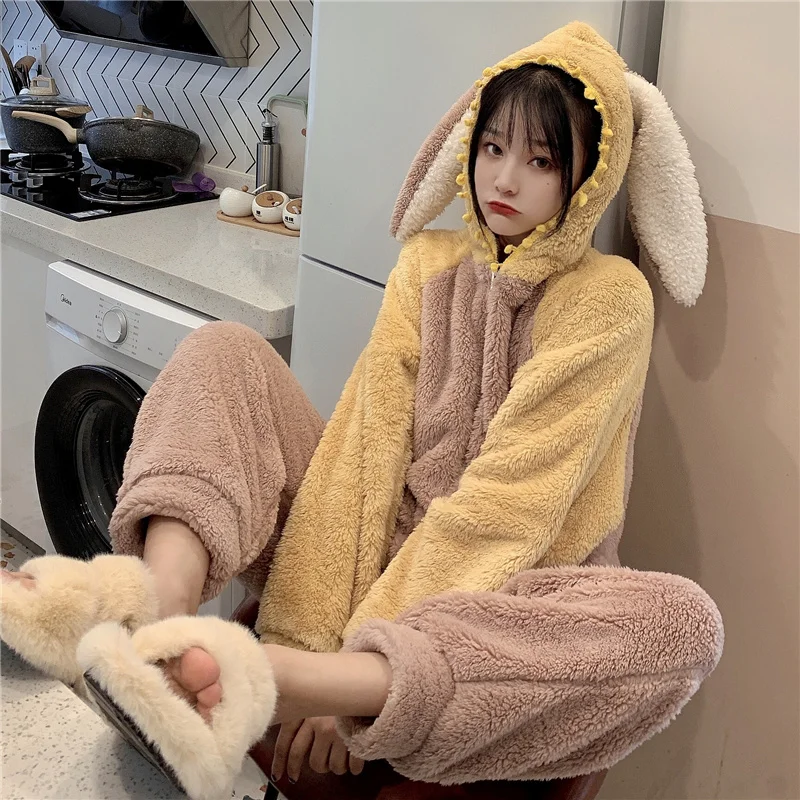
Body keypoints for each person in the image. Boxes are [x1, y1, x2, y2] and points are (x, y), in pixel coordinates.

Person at [1, 21, 722, 797]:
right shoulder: (428, 265)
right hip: (371, 559)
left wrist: (336, 674)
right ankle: (156, 616)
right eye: (492, 148)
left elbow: (506, 514)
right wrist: (303, 630)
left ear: (589, 176)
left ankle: (298, 679)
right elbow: (363, 447)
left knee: (682, 625)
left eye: (541, 160)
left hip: (504, 604)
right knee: (225, 351)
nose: (506, 179)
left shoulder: (609, 301)